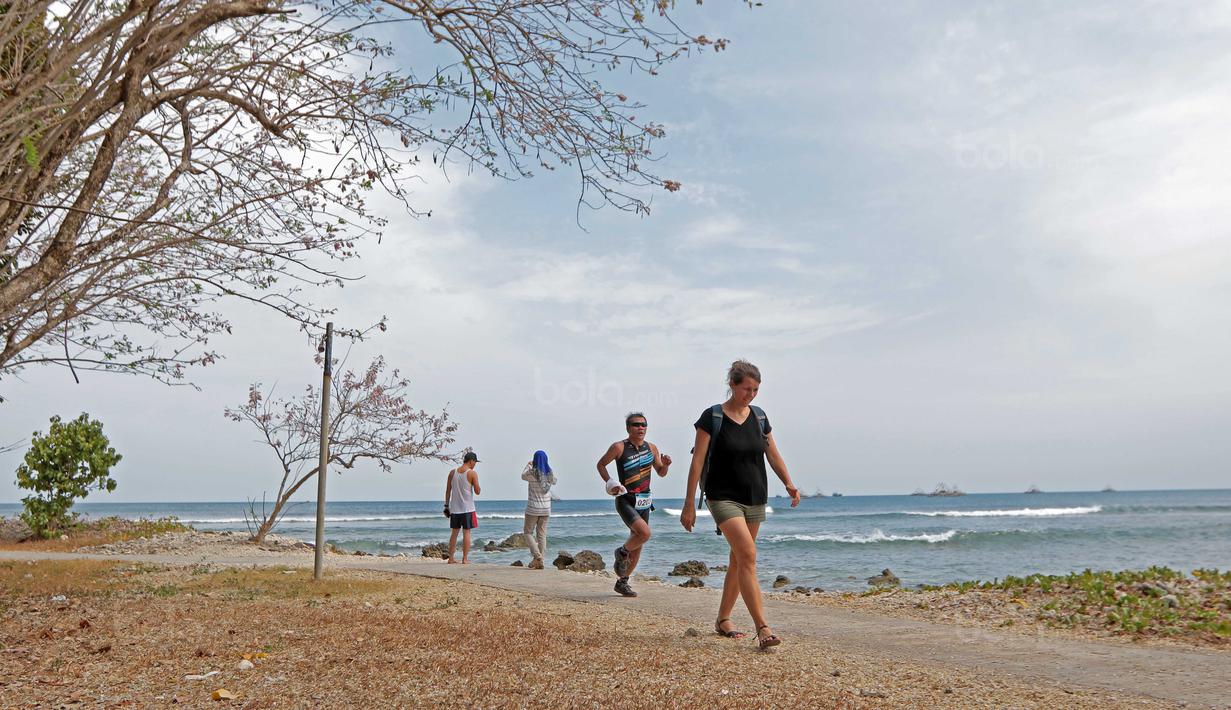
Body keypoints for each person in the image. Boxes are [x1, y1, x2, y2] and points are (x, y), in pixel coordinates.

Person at [680, 361, 801, 650]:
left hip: (755, 495)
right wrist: (688, 505)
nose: (751, 394)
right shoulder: (712, 416)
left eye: (756, 389)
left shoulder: (759, 417)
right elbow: (697, 461)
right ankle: (763, 628)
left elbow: (773, 454)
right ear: (732, 385)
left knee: (738, 559)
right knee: (747, 554)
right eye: (747, 388)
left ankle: (723, 619)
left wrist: (789, 482)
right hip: (722, 495)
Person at [597, 412, 671, 597]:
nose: (641, 428)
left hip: (644, 501)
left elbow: (661, 472)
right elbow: (601, 465)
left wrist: (666, 465)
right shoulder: (619, 447)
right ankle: (621, 552)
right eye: (636, 424)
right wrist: (611, 483)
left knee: (638, 545)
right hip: (626, 500)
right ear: (628, 428)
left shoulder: (652, 448)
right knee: (644, 533)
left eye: (644, 425)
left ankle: (623, 582)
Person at [521, 450, 557, 569]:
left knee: (527, 532)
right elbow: (555, 481)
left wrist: (529, 464)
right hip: (546, 509)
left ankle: (538, 556)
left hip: (533, 508)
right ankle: (540, 561)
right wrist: (546, 466)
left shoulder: (531, 473)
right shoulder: (549, 474)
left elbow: (522, 475)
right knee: (541, 534)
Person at [444, 451, 482, 564]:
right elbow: (478, 491)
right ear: (471, 461)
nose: (475, 464)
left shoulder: (452, 472)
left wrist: (446, 506)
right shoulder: (472, 473)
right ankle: (464, 559)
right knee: (467, 532)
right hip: (467, 509)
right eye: (475, 462)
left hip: (455, 509)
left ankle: (451, 558)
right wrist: (476, 483)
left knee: (454, 533)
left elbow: (448, 491)